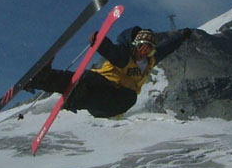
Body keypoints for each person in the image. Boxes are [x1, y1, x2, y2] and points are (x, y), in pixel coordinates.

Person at [25, 26, 192, 118]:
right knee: (81, 79)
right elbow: (110, 50)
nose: (144, 52)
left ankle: (76, 98)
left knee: (129, 97)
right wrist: (99, 41)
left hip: (115, 101)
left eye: (148, 50)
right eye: (142, 47)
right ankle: (39, 79)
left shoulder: (150, 61)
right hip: (102, 84)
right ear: (135, 45)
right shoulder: (124, 56)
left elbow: (167, 47)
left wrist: (182, 36)